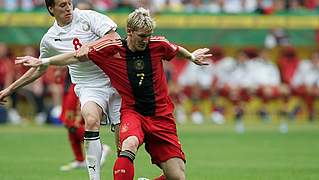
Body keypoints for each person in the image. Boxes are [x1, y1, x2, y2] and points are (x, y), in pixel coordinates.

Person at [14, 7, 211, 180]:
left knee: (177, 176)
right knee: (128, 144)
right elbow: (77, 55)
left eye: (149, 35)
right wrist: (45, 62)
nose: (146, 40)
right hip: (133, 111)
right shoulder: (111, 48)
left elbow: (177, 50)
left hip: (162, 116)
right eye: (142, 36)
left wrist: (192, 56)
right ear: (130, 32)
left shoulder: (158, 44)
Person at [0, 0, 121, 179]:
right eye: (62, 5)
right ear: (51, 9)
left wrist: (90, 46)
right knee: (90, 120)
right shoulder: (50, 39)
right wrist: (10, 88)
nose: (68, 8)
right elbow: (39, 68)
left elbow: (115, 38)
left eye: (69, 3)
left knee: (124, 141)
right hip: (88, 86)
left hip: (115, 79)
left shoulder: (88, 17)